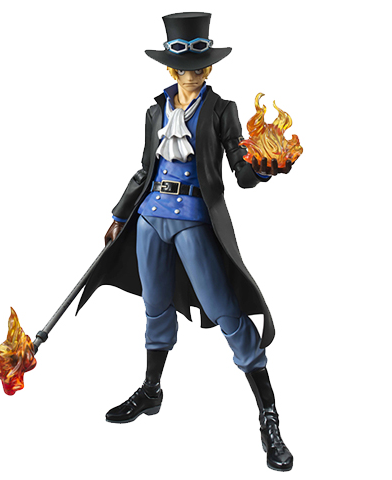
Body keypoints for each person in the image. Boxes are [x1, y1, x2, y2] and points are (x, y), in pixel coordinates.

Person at [76, 12, 293, 471]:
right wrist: (119, 215)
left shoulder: (221, 110)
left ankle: (269, 417)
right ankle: (151, 390)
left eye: (199, 66)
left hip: (194, 219)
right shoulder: (155, 110)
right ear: (172, 69)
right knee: (155, 307)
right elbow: (145, 169)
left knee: (225, 312)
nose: (191, 74)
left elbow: (240, 173)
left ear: (208, 67)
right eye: (183, 67)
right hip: (149, 219)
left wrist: (264, 167)